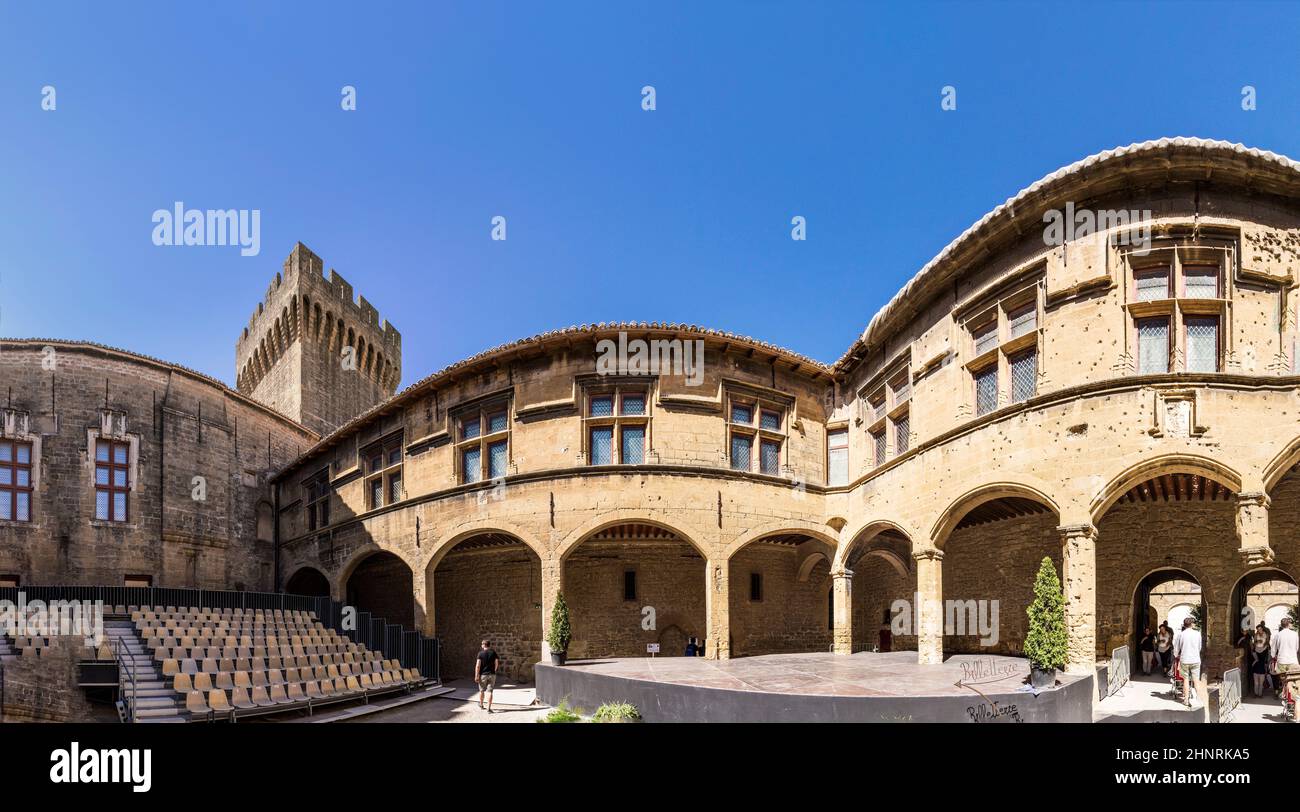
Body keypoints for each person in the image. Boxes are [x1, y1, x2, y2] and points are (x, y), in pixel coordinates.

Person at [1271, 617, 1300, 719]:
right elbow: (1297, 648)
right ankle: (1292, 701)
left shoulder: (1278, 635)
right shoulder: (1295, 634)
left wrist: (1274, 656)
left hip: (1282, 662)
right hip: (1293, 662)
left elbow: (1273, 650)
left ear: (1281, 625)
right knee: (1294, 683)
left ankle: (1284, 693)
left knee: (1284, 682)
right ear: (1289, 625)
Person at [1172, 617, 1202, 707]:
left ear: (1184, 625)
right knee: (1196, 680)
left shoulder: (1181, 635)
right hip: (1196, 659)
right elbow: (1199, 647)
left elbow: (1176, 648)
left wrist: (1176, 655)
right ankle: (1199, 699)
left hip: (1184, 659)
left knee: (1185, 679)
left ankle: (1186, 699)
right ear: (1192, 624)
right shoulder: (1197, 634)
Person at [474, 639, 500, 713]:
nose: (481, 645)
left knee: (481, 690)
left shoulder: (480, 653)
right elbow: (497, 663)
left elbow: (478, 666)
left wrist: (476, 675)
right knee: (490, 691)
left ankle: (481, 705)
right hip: (492, 674)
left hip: (483, 675)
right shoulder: (493, 653)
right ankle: (489, 708)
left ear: (483, 645)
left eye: (482, 644)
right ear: (489, 645)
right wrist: (494, 670)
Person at [1250, 622, 1271, 698]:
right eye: (1258, 629)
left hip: (1263, 650)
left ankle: (1260, 694)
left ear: (1262, 628)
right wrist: (1257, 642)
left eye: (1260, 629)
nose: (1259, 630)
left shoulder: (1266, 634)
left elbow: (1267, 642)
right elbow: (1254, 642)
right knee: (1256, 680)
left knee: (1261, 679)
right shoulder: (1256, 635)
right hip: (1257, 650)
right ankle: (1256, 693)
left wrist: (1264, 645)